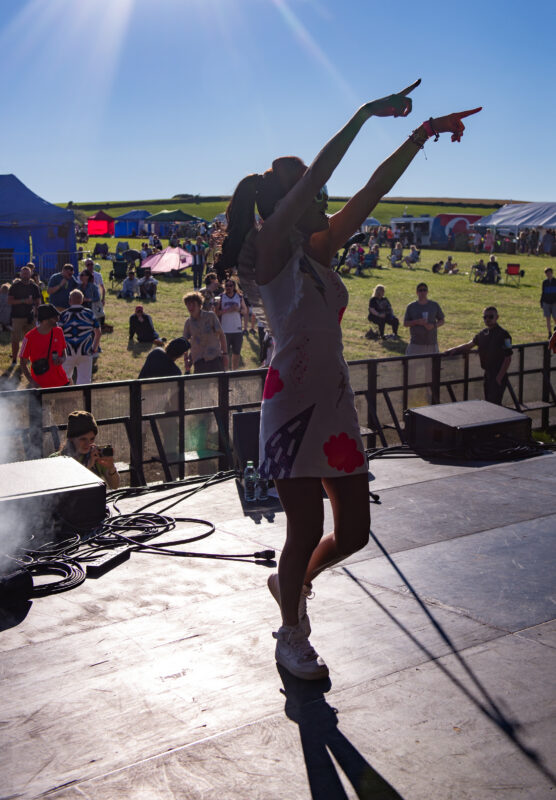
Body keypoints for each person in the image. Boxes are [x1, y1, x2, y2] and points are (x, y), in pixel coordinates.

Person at [217, 80, 480, 679]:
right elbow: (318, 176)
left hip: (335, 402)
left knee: (355, 533)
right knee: (305, 527)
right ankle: (291, 633)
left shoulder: (321, 249)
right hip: (291, 405)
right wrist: (363, 114)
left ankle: (291, 584)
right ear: (287, 204)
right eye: (313, 195)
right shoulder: (269, 250)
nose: (324, 200)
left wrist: (422, 134)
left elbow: (373, 189)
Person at [444, 307, 512, 405]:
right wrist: (454, 350)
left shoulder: (504, 335)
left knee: (495, 405)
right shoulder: (482, 334)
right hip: (487, 374)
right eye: (485, 317)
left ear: (497, 317)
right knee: (489, 404)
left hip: (497, 374)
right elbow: (469, 345)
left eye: (490, 317)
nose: (487, 319)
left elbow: (508, 358)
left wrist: (499, 378)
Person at [55, 411, 119, 489]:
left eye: (92, 439)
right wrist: (88, 466)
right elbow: (67, 490)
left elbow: (114, 486)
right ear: (71, 438)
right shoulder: (57, 460)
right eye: (83, 439)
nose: (88, 444)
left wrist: (111, 468)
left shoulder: (95, 455)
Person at [19, 304, 71, 388]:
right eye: (54, 317)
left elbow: (64, 352)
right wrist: (32, 381)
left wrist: (62, 359)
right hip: (41, 385)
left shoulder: (59, 331)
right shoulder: (29, 337)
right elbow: (22, 362)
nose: (58, 319)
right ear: (45, 320)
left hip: (61, 382)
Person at [59, 289, 101, 385]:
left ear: (70, 301)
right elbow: (98, 332)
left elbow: (58, 334)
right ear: (82, 301)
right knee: (84, 381)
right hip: (85, 351)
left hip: (67, 352)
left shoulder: (63, 315)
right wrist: (94, 348)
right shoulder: (89, 313)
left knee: (63, 380)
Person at [182, 291, 228, 373]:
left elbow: (221, 335)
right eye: (188, 304)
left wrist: (225, 354)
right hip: (199, 362)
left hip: (215, 359)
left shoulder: (210, 316)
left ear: (199, 305)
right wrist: (186, 361)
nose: (190, 307)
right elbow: (184, 344)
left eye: (193, 304)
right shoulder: (188, 323)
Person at [7, 264, 41, 364]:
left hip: (30, 316)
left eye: (27, 273)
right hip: (17, 317)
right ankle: (14, 359)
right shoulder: (15, 286)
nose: (25, 275)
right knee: (15, 339)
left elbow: (38, 302)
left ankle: (28, 358)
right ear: (20, 274)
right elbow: (9, 301)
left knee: (31, 339)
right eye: (24, 273)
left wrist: (37, 312)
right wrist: (23, 301)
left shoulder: (34, 287)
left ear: (30, 275)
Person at [404, 283, 445, 355]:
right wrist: (417, 322)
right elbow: (405, 323)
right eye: (420, 290)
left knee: (432, 363)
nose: (423, 292)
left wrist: (433, 326)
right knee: (412, 362)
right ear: (417, 292)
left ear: (427, 292)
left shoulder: (434, 305)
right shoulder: (411, 306)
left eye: (424, 290)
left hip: (431, 343)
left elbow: (442, 320)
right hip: (415, 344)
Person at [217, 277, 248, 370]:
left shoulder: (239, 297)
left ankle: (235, 371)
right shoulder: (221, 297)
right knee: (224, 353)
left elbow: (245, 311)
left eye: (230, 285)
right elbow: (216, 313)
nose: (228, 287)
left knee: (236, 353)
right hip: (225, 330)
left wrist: (238, 309)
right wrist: (227, 310)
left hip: (237, 330)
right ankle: (225, 371)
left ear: (234, 286)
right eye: (226, 285)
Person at [540, 267, 556, 338]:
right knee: (548, 318)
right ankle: (549, 333)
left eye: (549, 273)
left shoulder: (555, 281)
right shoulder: (544, 282)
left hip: (554, 302)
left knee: (555, 317)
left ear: (552, 273)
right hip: (546, 302)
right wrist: (541, 302)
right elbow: (543, 292)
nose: (548, 274)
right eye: (547, 273)